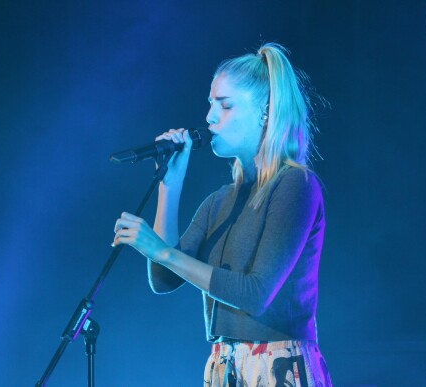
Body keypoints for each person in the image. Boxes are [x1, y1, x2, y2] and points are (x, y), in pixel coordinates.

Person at [112, 42, 332, 386]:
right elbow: (164, 279)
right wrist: (170, 186)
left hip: (277, 367)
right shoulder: (219, 201)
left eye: (225, 105)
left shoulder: (295, 185)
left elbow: (255, 295)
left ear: (266, 111)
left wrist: (162, 251)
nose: (209, 117)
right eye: (210, 103)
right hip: (224, 367)